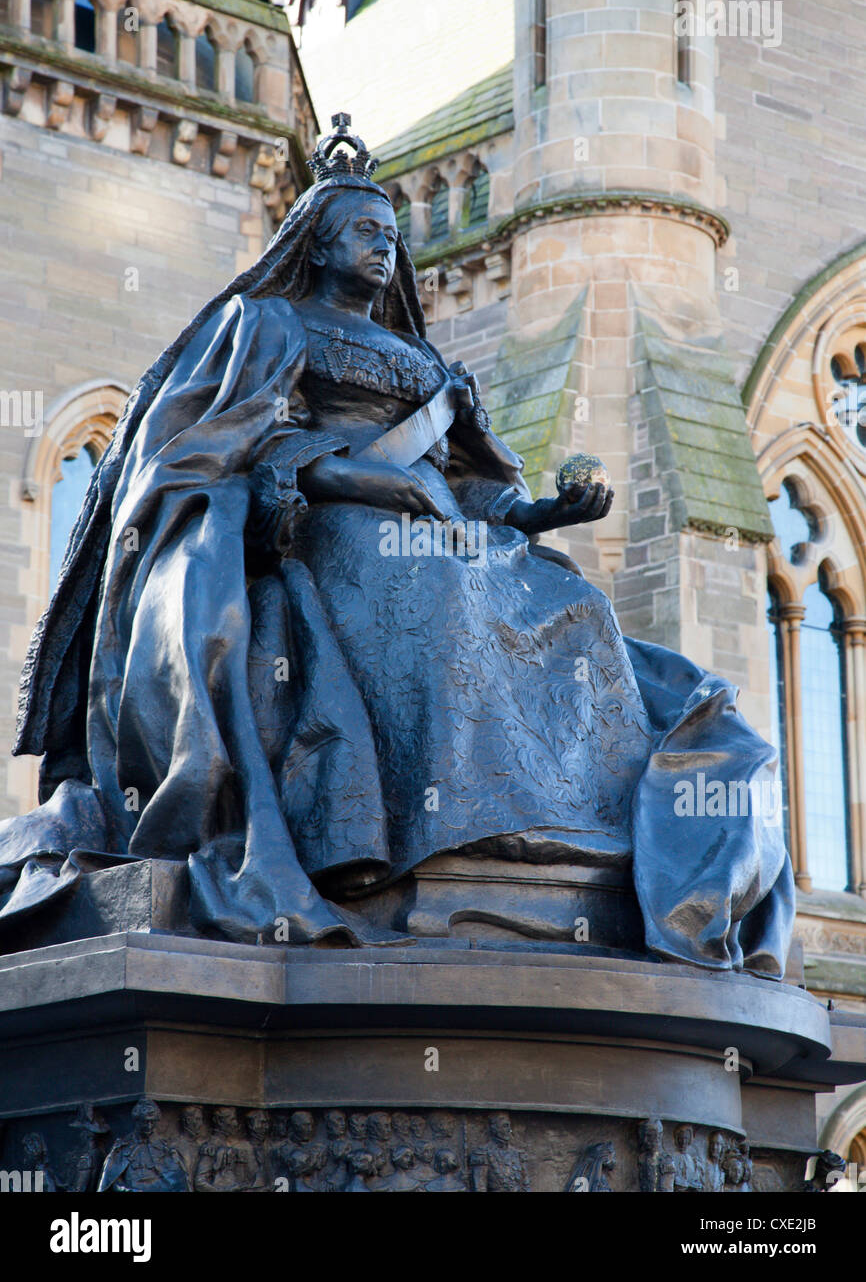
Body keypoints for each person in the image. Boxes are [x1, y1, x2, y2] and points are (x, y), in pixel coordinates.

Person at [0, 116, 793, 974]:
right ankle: (438, 835)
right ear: (320, 241)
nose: (384, 249)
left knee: (582, 606)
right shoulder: (269, 326)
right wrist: (361, 480)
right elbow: (238, 448)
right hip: (333, 526)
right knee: (438, 597)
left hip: (446, 533)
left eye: (391, 237)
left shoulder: (426, 364)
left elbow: (479, 491)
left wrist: (550, 512)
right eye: (365, 234)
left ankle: (552, 836)